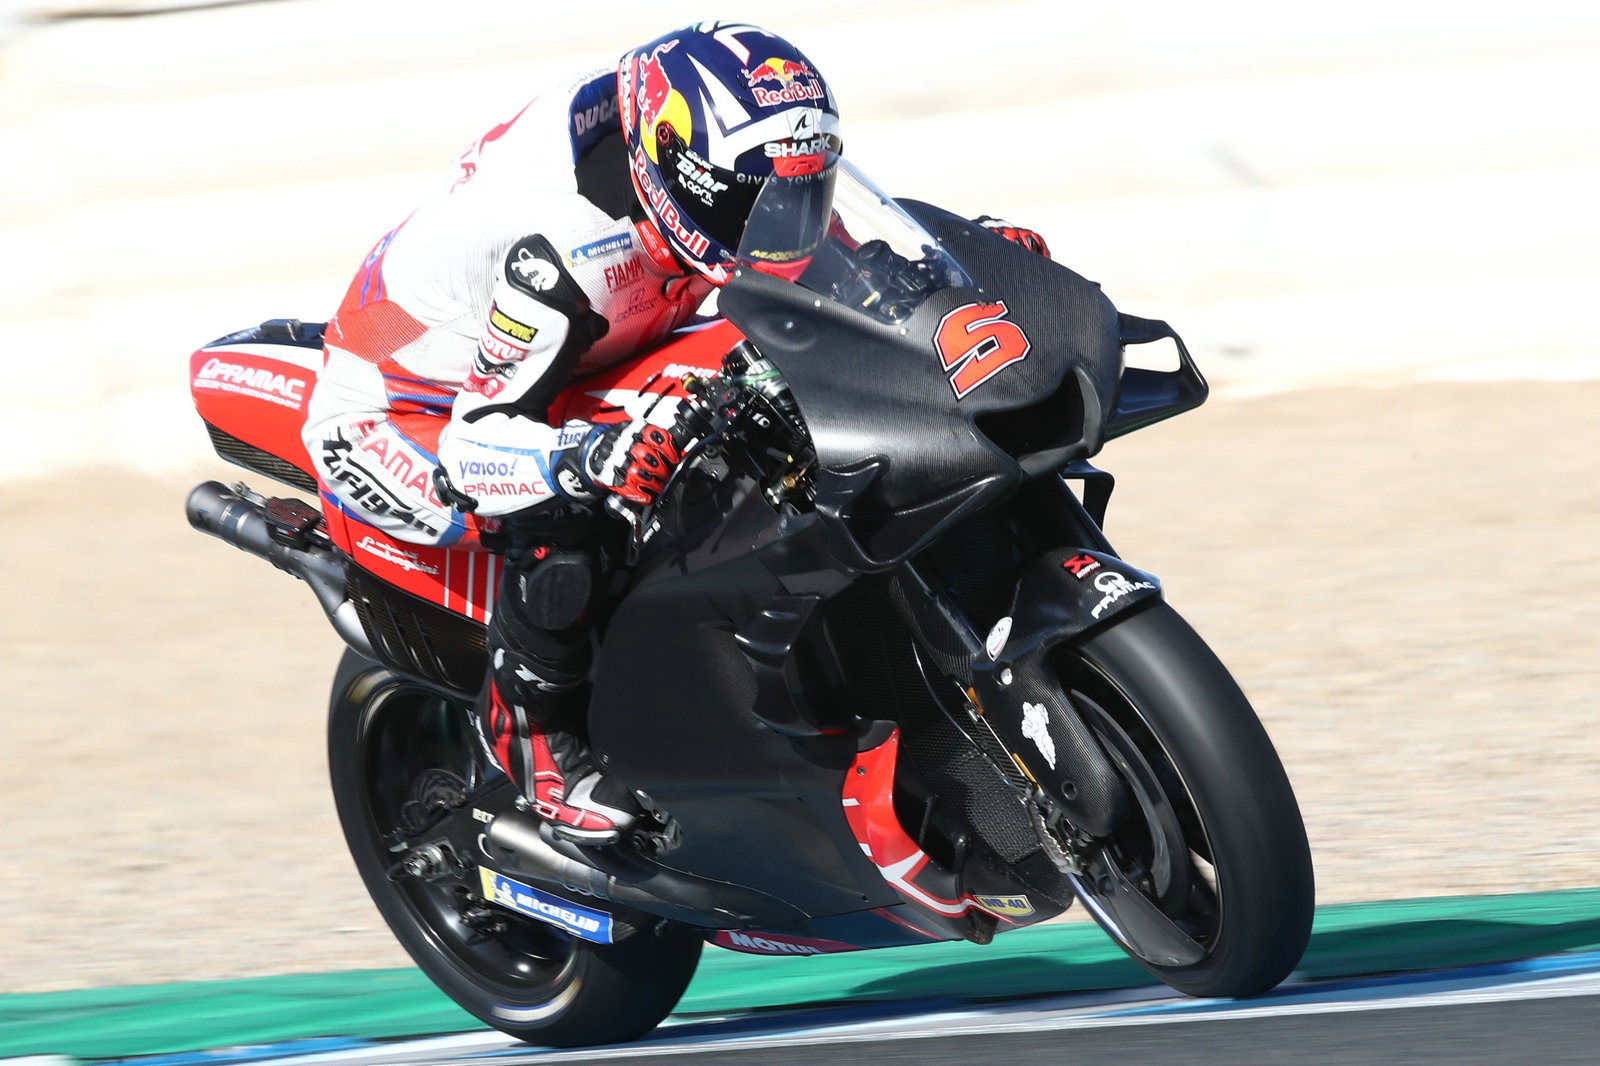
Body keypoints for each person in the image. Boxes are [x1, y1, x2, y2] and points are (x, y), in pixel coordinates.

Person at [302, 22, 1050, 848]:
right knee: (567, 513)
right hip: (411, 411)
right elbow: (477, 444)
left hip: (581, 349)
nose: (784, 224)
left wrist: (955, 271)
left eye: (799, 194)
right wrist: (584, 456)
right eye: (759, 202)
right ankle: (538, 747)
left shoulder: (718, 152)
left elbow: (836, 245)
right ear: (676, 170)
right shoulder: (565, 252)